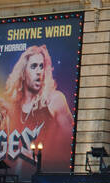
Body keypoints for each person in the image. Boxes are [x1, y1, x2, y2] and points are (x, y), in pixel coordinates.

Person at [5, 46, 74, 175]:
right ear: (23, 72)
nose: (39, 72)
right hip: (17, 181)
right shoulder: (13, 107)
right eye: (34, 66)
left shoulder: (54, 100)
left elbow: (70, 149)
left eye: (41, 66)